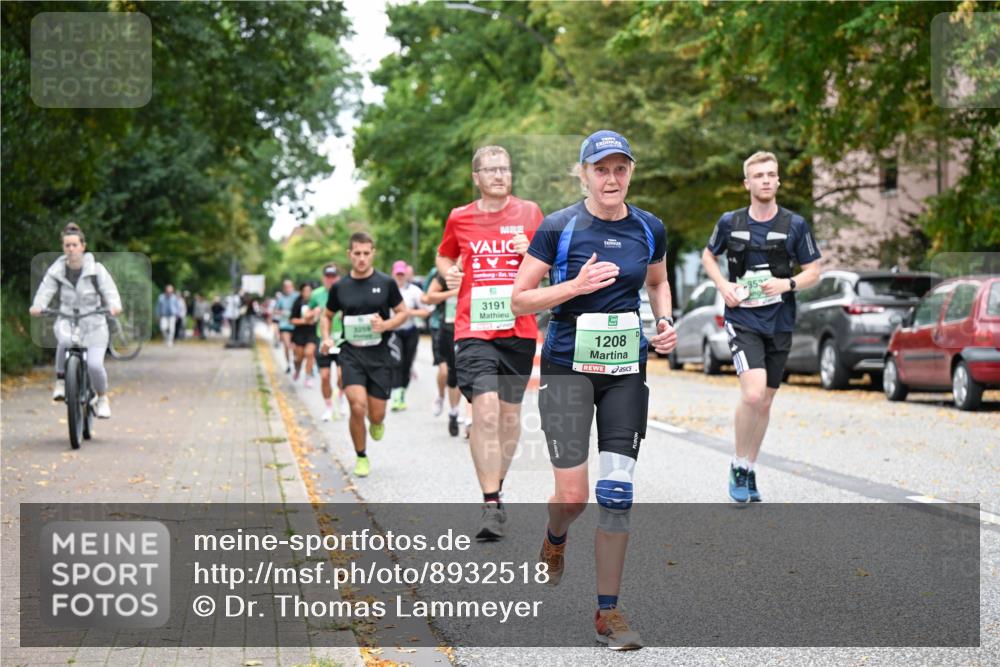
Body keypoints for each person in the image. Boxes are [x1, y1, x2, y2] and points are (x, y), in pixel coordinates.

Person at [511, 130, 676, 651]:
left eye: (620, 168)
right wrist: (576, 287)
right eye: (600, 169)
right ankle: (554, 537)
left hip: (626, 371)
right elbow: (520, 300)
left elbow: (657, 282)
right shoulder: (558, 228)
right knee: (573, 497)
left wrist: (665, 321)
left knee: (616, 494)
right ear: (582, 173)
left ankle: (608, 613)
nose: (611, 178)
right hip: (566, 372)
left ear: (631, 172)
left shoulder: (649, 227)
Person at [436, 144, 544, 540]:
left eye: (505, 169)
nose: (500, 175)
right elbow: (444, 256)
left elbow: (550, 264)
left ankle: (497, 488)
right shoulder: (459, 218)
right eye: (491, 170)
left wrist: (531, 252)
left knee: (510, 417)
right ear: (476, 178)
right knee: (484, 411)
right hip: (474, 328)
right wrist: (450, 274)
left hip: (518, 327)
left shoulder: (531, 213)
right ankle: (490, 501)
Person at [702, 151, 821, 503]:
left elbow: (814, 270)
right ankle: (738, 464)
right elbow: (709, 255)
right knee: (752, 394)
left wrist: (788, 284)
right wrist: (723, 285)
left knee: (766, 402)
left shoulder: (795, 225)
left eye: (771, 174)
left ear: (778, 180)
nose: (766, 180)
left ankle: (750, 469)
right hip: (743, 319)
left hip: (780, 321)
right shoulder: (730, 221)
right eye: (759, 175)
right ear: (747, 183)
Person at [320, 232, 408, 478]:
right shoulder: (340, 287)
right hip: (351, 354)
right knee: (357, 407)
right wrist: (326, 337)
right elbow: (327, 316)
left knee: (376, 414)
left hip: (379, 356)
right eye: (356, 253)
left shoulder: (386, 283)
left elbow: (403, 312)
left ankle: (377, 422)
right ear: (349, 255)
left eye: (366, 253)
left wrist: (386, 325)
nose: (361, 258)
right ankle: (361, 456)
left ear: (373, 253)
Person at [29, 222, 123, 419]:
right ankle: (62, 381)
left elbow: (110, 291)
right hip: (67, 318)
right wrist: (38, 306)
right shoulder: (57, 270)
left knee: (95, 365)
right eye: (67, 246)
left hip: (94, 321)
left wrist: (114, 306)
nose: (71, 249)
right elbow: (45, 290)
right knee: (64, 341)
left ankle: (102, 397)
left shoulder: (97, 269)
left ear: (83, 246)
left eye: (74, 245)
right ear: (63, 248)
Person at [422, 266, 462, 436]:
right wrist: (453, 294)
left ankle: (454, 412)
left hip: (462, 328)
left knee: (456, 373)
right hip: (440, 327)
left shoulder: (472, 265)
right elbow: (426, 298)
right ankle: (440, 395)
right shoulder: (439, 272)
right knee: (444, 371)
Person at [389, 261, 430, 411]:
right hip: (393, 332)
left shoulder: (414, 291)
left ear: (406, 274)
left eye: (402, 273)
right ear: (393, 273)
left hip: (411, 331)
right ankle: (396, 397)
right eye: (397, 273)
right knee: (396, 362)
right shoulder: (387, 289)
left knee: (406, 365)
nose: (400, 276)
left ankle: (401, 395)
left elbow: (426, 312)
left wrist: (408, 312)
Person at [310, 263, 345, 421]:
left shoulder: (346, 292)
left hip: (341, 340)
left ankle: (341, 397)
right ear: (323, 278)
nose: (331, 280)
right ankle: (329, 408)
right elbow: (307, 314)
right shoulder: (316, 294)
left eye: (333, 277)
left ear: (338, 278)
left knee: (341, 376)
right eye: (328, 277)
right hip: (324, 340)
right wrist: (313, 312)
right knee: (324, 376)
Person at [289, 281, 318, 386]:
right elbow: (291, 320)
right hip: (299, 333)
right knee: (299, 357)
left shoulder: (316, 302)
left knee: (309, 353)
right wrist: (304, 321)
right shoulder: (298, 302)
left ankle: (308, 376)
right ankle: (297, 368)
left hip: (312, 332)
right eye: (305, 291)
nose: (307, 293)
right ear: (301, 292)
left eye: (310, 291)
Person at [274, 279, 299, 372]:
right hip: (285, 324)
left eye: (289, 286)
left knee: (296, 347)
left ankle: (296, 362)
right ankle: (288, 364)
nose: (288, 289)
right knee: (287, 345)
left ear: (293, 287)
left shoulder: (297, 296)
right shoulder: (281, 298)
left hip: (296, 324)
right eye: (286, 287)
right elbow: (275, 310)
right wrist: (283, 312)